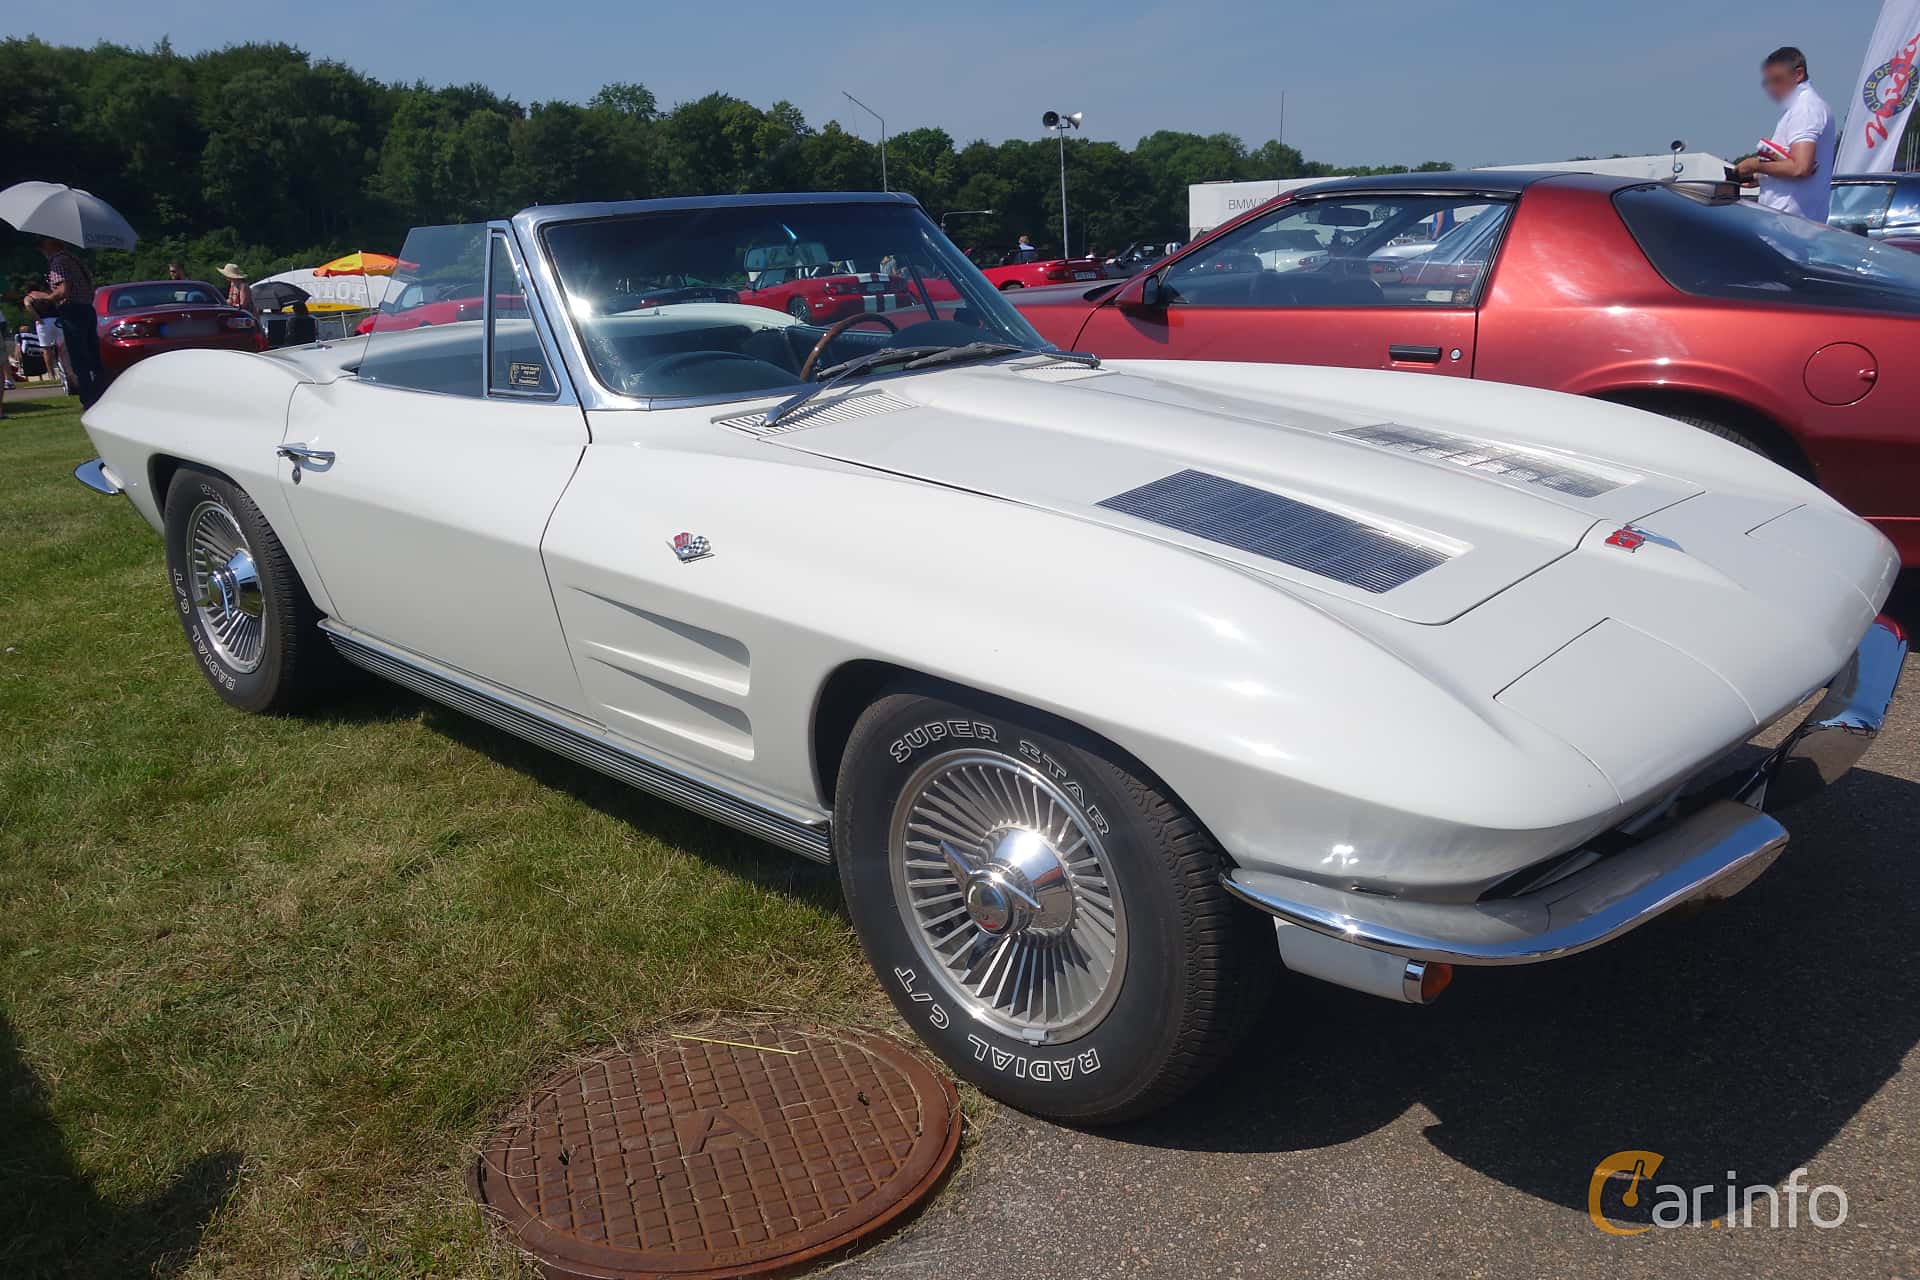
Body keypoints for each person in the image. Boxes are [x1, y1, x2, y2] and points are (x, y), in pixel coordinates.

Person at [1735, 46, 1836, 223]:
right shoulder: (1803, 107)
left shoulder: (1804, 108)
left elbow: (1800, 168)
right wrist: (1764, 178)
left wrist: (1756, 165)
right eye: (1768, 82)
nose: (1772, 88)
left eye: (1778, 80)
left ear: (1798, 74)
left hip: (1790, 224)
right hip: (1793, 221)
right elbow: (1795, 165)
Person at [24, 241, 102, 406]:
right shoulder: (74, 259)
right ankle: (101, 393)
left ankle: (88, 399)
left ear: (51, 244)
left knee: (78, 358)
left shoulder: (58, 262)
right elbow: (89, 283)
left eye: (42, 244)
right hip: (87, 308)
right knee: (93, 356)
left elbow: (62, 290)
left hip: (72, 310)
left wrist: (46, 299)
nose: (41, 249)